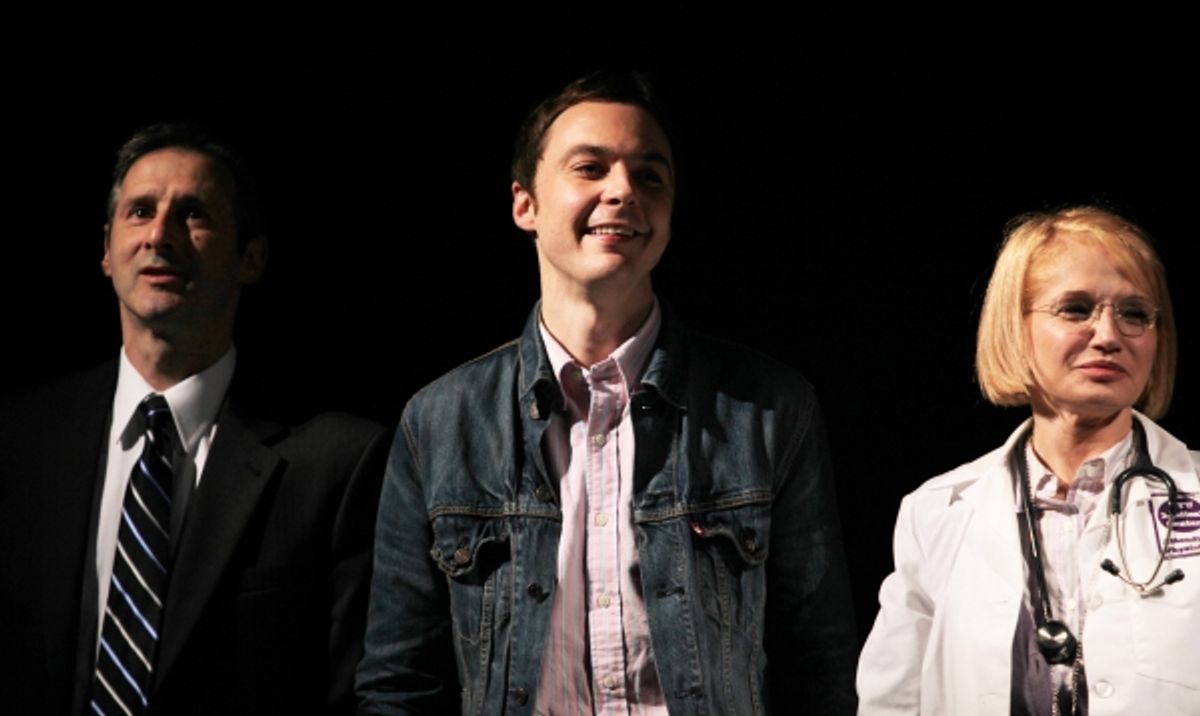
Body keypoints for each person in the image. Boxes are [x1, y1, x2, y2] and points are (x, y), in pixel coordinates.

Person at [356, 71, 857, 715]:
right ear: (524, 203)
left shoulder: (768, 408)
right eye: (590, 167)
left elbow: (821, 670)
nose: (622, 190)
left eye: (650, 175)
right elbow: (399, 685)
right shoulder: (439, 421)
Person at [0, 124, 390, 715]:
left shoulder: (337, 462)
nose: (159, 235)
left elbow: (361, 691)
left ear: (251, 257)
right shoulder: (20, 439)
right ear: (106, 249)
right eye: (139, 211)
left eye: (192, 214)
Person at [857, 206, 1200, 715]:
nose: (1108, 336)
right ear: (1014, 329)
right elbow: (893, 702)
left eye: (1134, 314)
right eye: (1076, 309)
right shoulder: (935, 513)